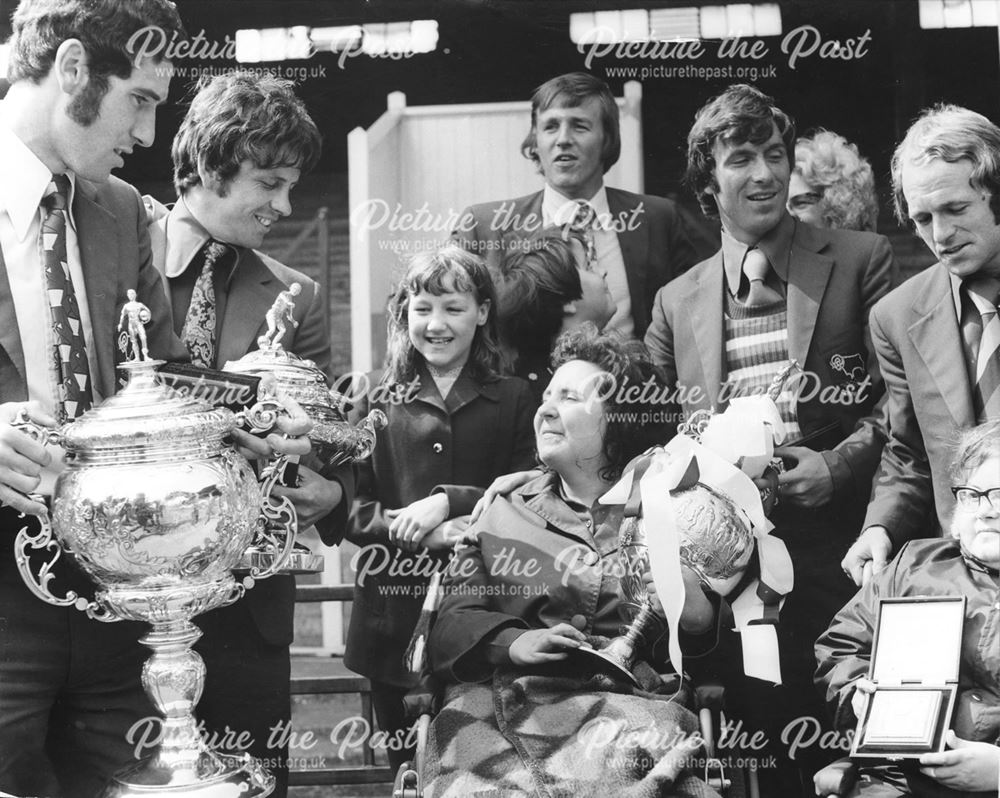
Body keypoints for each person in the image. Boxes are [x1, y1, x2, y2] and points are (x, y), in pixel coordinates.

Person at [642, 84, 895, 795]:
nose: (763, 173)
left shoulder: (860, 259)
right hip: (733, 584)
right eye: (740, 158)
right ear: (706, 181)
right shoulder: (674, 302)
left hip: (842, 558)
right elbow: (671, 440)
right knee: (770, 764)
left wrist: (838, 465)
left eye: (774, 154)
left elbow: (899, 406)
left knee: (855, 755)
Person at [143, 72, 352, 795]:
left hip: (246, 609)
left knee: (257, 785)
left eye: (293, 185)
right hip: (128, 605)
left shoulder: (301, 298)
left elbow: (325, 439)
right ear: (209, 166)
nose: (285, 206)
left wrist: (330, 487)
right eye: (269, 181)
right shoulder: (112, 260)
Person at [0, 1, 187, 794]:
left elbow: (167, 381)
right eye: (139, 100)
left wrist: (261, 417)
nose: (147, 136)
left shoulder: (123, 212)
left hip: (114, 595)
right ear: (73, 67)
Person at [423, 326, 716, 797]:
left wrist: (698, 614)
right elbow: (451, 625)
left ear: (618, 418)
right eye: (546, 396)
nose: (545, 409)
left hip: (635, 708)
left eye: (570, 398)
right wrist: (515, 641)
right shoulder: (500, 511)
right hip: (501, 704)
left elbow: (702, 652)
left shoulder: (672, 512)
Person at [343, 244, 537, 773]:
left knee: (485, 767)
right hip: (391, 619)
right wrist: (415, 532)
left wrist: (448, 502)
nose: (436, 324)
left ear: (482, 313)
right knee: (409, 769)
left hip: (487, 612)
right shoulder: (373, 398)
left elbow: (531, 491)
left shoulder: (517, 398)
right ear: (405, 311)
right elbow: (352, 509)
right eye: (423, 307)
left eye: (454, 308)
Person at [842, 105, 1000, 588]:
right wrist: (878, 525)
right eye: (922, 218)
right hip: (967, 578)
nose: (940, 235)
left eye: (956, 209)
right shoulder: (897, 316)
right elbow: (909, 452)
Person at [816, 420, 1000, 797]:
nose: (986, 511)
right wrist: (856, 692)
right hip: (895, 781)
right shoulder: (914, 564)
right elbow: (840, 647)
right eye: (973, 494)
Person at [452, 71, 700, 340]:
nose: (563, 139)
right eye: (550, 127)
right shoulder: (483, 226)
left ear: (607, 139)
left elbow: (691, 320)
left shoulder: (659, 218)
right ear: (536, 142)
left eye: (580, 126)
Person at [496, 226, 615, 402]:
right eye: (588, 266)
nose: (603, 271)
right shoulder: (527, 395)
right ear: (566, 301)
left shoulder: (609, 362)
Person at [787, 130, 879, 233]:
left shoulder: (870, 247)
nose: (784, 216)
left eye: (800, 203)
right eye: (782, 205)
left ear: (837, 210)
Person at [118, 288, 151, 360]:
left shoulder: (139, 305)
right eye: (129, 294)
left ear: (135, 295)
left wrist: (146, 320)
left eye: (132, 293)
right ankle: (137, 357)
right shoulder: (126, 306)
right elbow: (122, 315)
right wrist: (120, 324)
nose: (131, 295)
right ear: (127, 295)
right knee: (133, 341)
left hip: (139, 323)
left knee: (143, 338)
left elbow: (148, 311)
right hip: (131, 325)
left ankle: (145, 356)